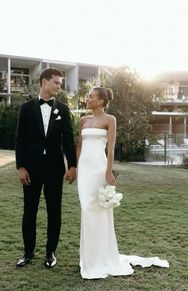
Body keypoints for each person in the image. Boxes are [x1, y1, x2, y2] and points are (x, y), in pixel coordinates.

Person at [76, 87, 169, 279]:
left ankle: (101, 258)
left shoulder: (110, 120)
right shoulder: (83, 120)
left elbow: (110, 148)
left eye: (91, 96)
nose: (87, 99)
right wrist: (77, 168)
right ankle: (88, 258)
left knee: (99, 211)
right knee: (86, 209)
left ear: (100, 101)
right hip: (84, 171)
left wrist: (109, 171)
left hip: (99, 169)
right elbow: (79, 145)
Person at [15, 67, 77, 268]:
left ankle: (50, 252)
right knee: (29, 211)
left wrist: (72, 166)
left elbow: (68, 140)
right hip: (31, 169)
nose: (59, 86)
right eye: (56, 82)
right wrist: (21, 167)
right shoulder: (26, 108)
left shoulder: (63, 109)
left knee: (54, 211)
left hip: (54, 169)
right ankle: (27, 252)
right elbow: (20, 140)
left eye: (60, 83)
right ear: (44, 82)